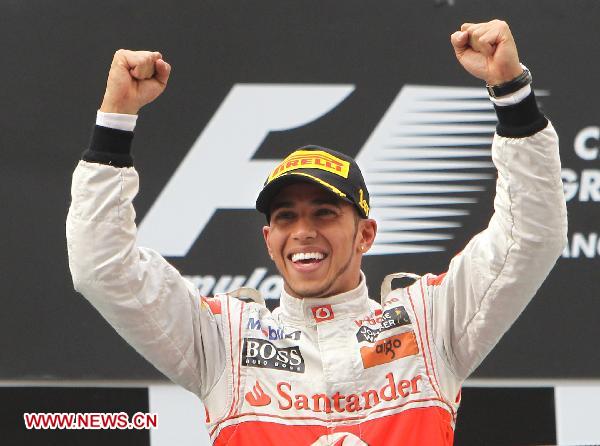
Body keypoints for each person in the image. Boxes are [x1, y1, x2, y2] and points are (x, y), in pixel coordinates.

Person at [67, 19, 567, 445]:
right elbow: (102, 267)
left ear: (366, 234)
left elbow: (530, 236)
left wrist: (513, 95)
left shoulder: (430, 323)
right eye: (285, 217)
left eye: (325, 213)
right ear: (268, 239)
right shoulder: (222, 339)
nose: (302, 231)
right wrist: (115, 121)